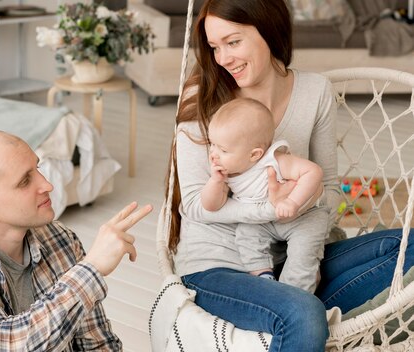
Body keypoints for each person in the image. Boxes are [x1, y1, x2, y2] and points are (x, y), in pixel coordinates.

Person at [166, 0, 414, 351]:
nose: (223, 58)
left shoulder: (314, 91)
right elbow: (193, 205)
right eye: (214, 47)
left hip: (293, 259)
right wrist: (271, 209)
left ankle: (292, 307)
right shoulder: (202, 95)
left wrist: (297, 205)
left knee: (409, 245)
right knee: (302, 314)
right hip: (218, 268)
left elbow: (329, 189)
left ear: (268, 28)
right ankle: (298, 313)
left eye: (233, 42)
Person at [0, 129, 152, 351]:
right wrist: (91, 270)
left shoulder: (61, 240)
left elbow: (97, 344)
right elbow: (1, 347)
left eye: (37, 168)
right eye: (25, 181)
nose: (46, 185)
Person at [201, 97, 327, 292]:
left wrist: (293, 202)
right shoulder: (226, 170)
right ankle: (263, 276)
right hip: (263, 223)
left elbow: (313, 172)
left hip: (303, 217)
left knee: (302, 253)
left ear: (255, 154)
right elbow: (211, 206)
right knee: (245, 235)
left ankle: (295, 291)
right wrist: (215, 182)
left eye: (223, 149)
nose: (214, 154)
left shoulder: (274, 161)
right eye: (213, 145)